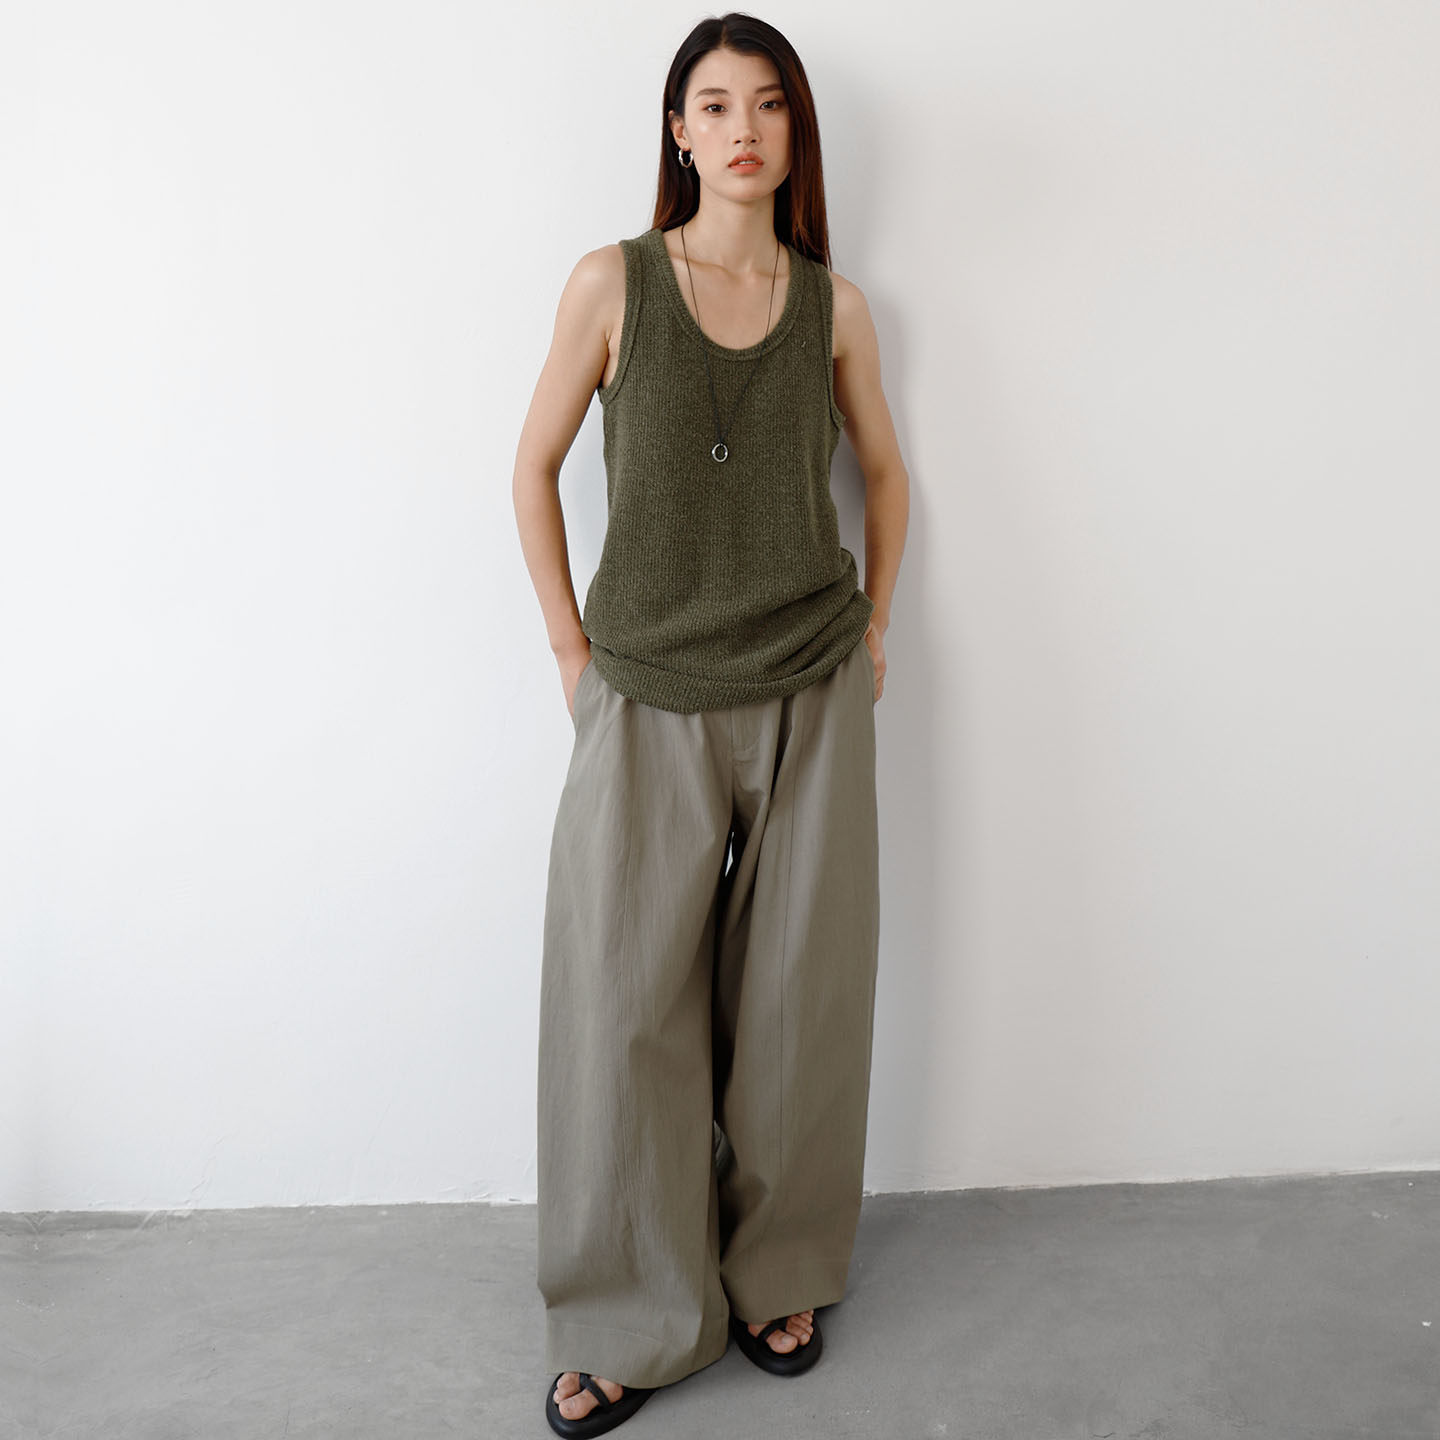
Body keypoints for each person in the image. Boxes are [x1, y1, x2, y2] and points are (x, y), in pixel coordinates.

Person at [512, 13, 909, 1435]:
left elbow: (885, 474)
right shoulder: (611, 283)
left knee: (800, 1005)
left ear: (796, 135)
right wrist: (572, 650)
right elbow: (533, 466)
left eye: (770, 105)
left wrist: (873, 629)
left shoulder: (835, 307)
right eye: (717, 104)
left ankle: (777, 1273)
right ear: (678, 131)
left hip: (809, 684)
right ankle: (631, 1312)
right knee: (623, 1011)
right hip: (646, 693)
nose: (745, 129)